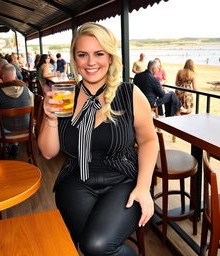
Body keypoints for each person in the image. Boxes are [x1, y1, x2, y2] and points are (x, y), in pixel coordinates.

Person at [38, 22, 157, 256]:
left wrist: (143, 188)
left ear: (110, 57)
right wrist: (50, 118)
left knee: (96, 246)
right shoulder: (64, 96)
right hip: (75, 181)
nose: (91, 62)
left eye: (99, 54)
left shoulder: (130, 94)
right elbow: (49, 153)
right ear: (75, 59)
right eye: (83, 55)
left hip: (123, 180)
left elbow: (148, 141)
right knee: (91, 247)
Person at [0, 64, 34, 157]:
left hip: (8, 132)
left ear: (3, 76)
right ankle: (13, 145)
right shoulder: (27, 90)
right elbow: (31, 107)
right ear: (15, 76)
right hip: (27, 129)